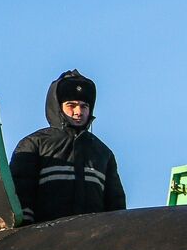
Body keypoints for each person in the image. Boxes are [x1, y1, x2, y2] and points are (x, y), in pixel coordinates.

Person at [9, 69, 126, 225]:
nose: (78, 112)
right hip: (45, 238)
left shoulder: (103, 153)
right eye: (71, 105)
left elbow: (115, 204)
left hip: (93, 239)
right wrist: (24, 231)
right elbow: (21, 192)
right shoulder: (34, 144)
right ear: (58, 107)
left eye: (84, 106)